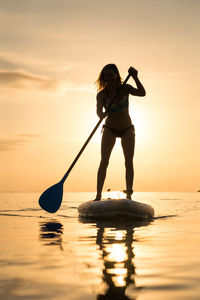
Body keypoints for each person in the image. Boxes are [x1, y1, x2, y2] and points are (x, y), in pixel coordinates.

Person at [94, 64, 146, 201]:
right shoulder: (102, 95)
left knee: (128, 161)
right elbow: (98, 111)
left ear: (117, 75)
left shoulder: (125, 89)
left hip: (127, 129)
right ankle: (98, 195)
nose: (109, 77)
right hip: (110, 129)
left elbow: (142, 93)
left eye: (111, 74)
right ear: (104, 78)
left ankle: (129, 195)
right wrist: (101, 115)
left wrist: (135, 77)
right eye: (106, 76)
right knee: (104, 161)